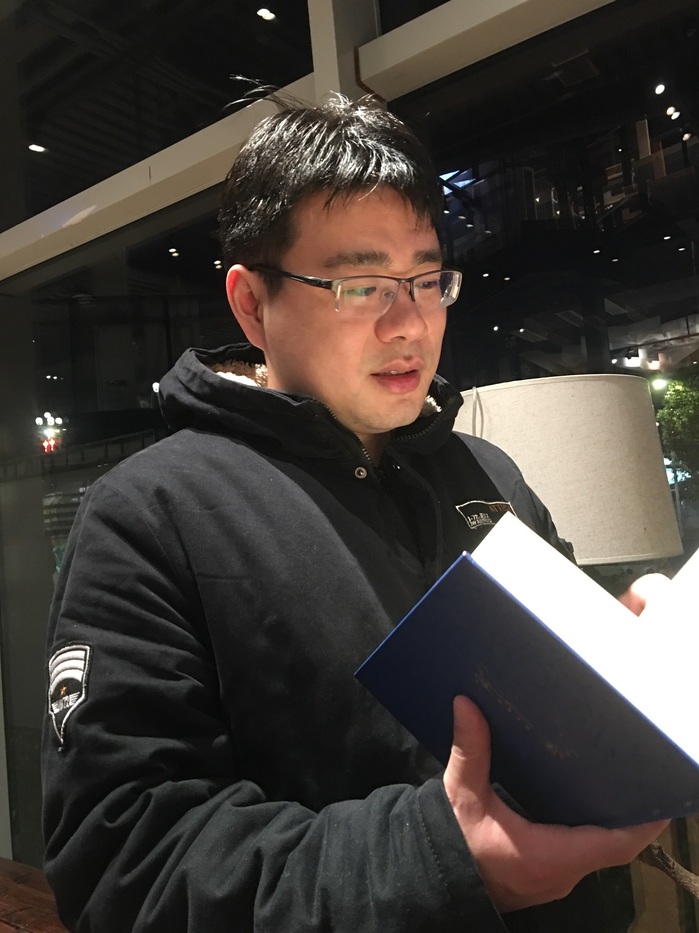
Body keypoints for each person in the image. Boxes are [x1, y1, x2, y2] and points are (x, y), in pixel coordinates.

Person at [41, 93, 667, 933]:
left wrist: (628, 674)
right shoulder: (149, 516)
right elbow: (124, 865)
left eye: (426, 280)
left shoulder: (490, 476)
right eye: (360, 285)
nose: (409, 324)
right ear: (251, 303)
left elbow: (556, 722)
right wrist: (438, 858)